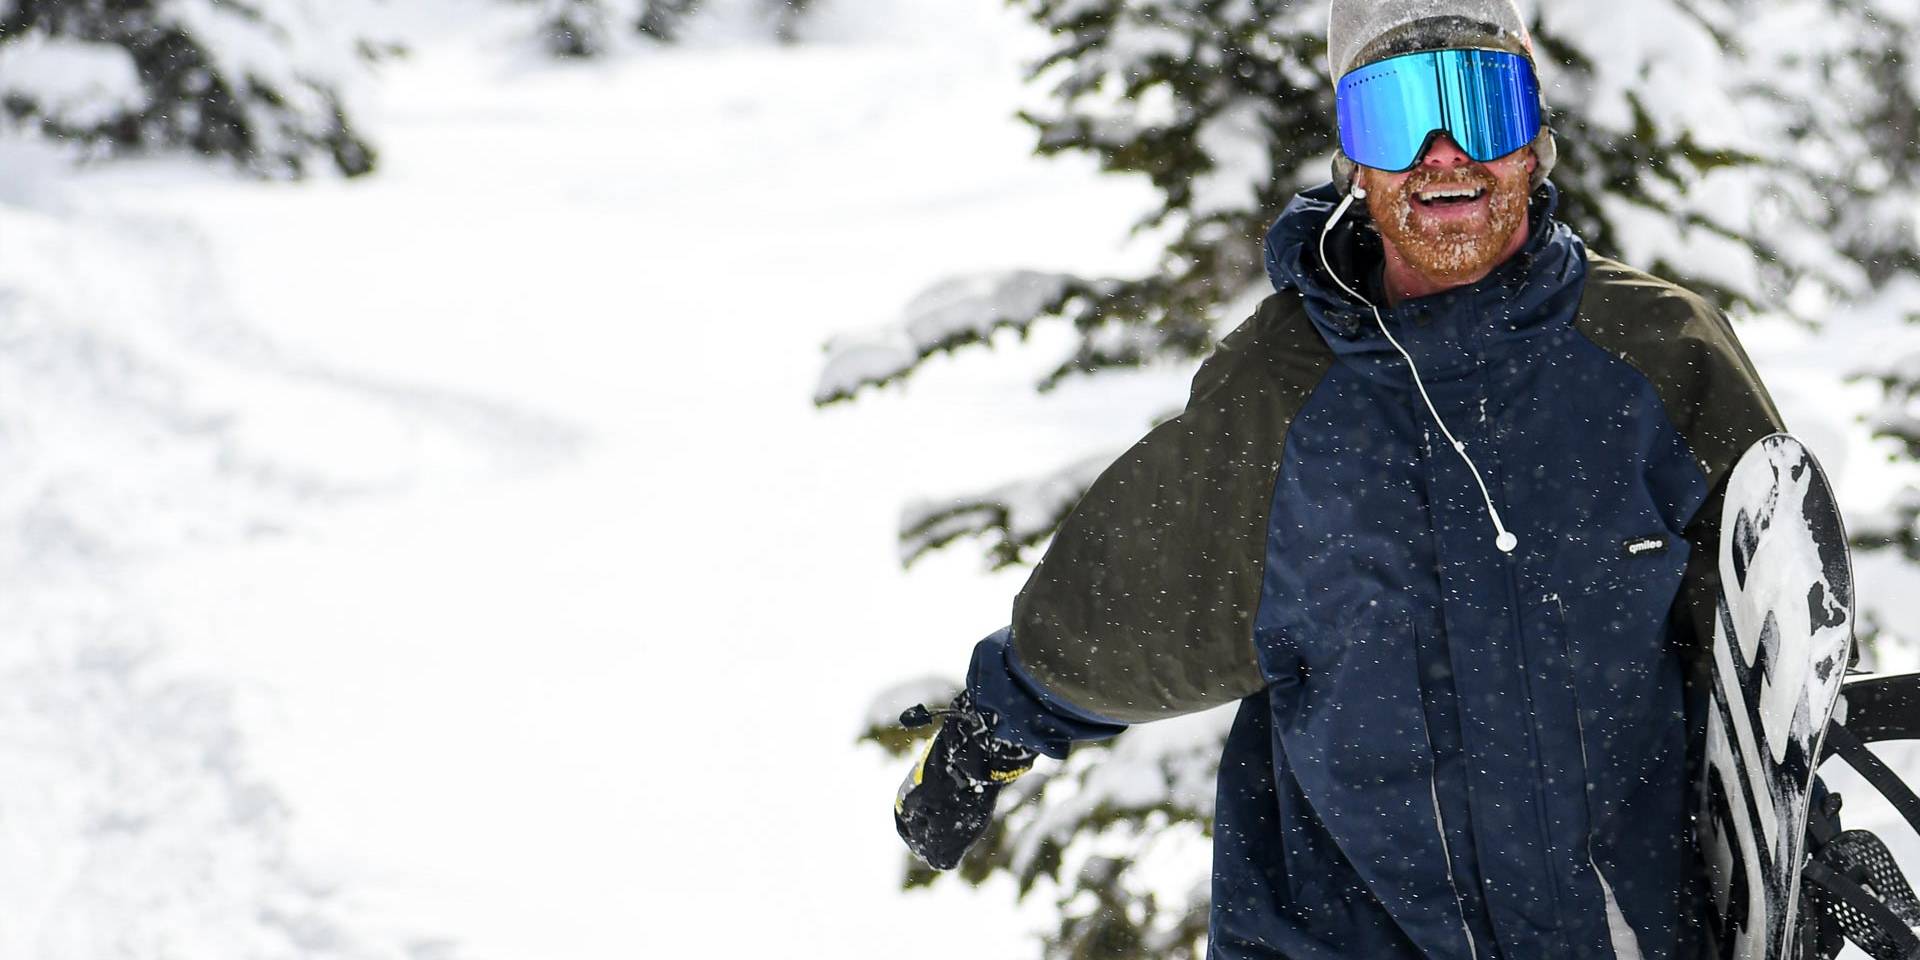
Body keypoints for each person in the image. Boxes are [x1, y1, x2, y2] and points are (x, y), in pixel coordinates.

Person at [892, 1, 1784, 957]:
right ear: (1354, 163)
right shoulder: (1285, 389)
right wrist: (996, 722)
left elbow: (1768, 637)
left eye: (1482, 107)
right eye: (1398, 115)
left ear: (1536, 145)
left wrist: (1799, 842)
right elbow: (1140, 598)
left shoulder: (1654, 356)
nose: (1444, 154)